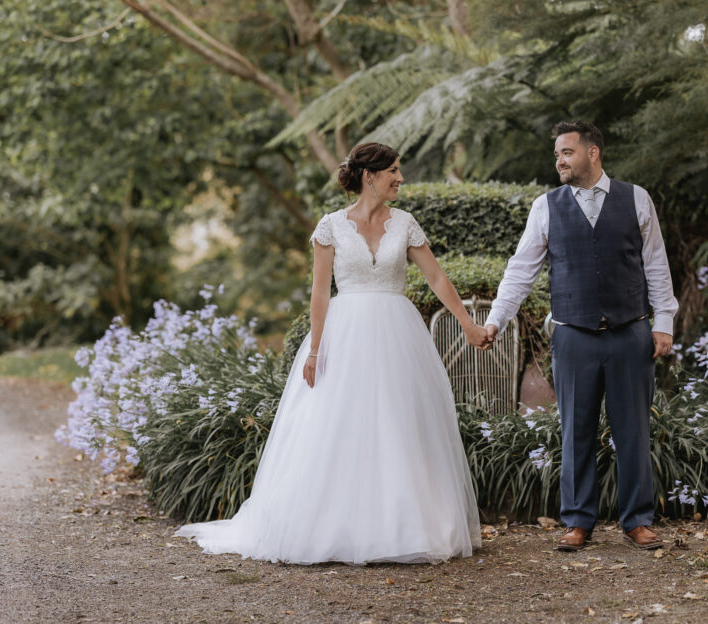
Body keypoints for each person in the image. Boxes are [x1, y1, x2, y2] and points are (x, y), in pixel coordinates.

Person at [176, 143, 485, 565]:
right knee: (342, 424)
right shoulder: (331, 227)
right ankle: (336, 526)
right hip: (346, 333)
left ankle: (404, 525)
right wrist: (315, 350)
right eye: (393, 171)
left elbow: (435, 277)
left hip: (397, 332)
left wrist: (467, 323)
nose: (400, 178)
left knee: (397, 422)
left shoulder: (406, 223)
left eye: (399, 170)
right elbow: (320, 292)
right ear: (369, 176)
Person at [482, 121, 678, 551]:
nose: (559, 160)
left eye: (567, 152)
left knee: (633, 431)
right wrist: (496, 320)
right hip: (573, 335)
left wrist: (663, 321)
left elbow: (656, 266)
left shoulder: (636, 199)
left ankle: (638, 520)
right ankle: (577, 521)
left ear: (592, 153)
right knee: (576, 432)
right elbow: (521, 270)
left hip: (630, 333)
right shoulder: (546, 206)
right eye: (557, 154)